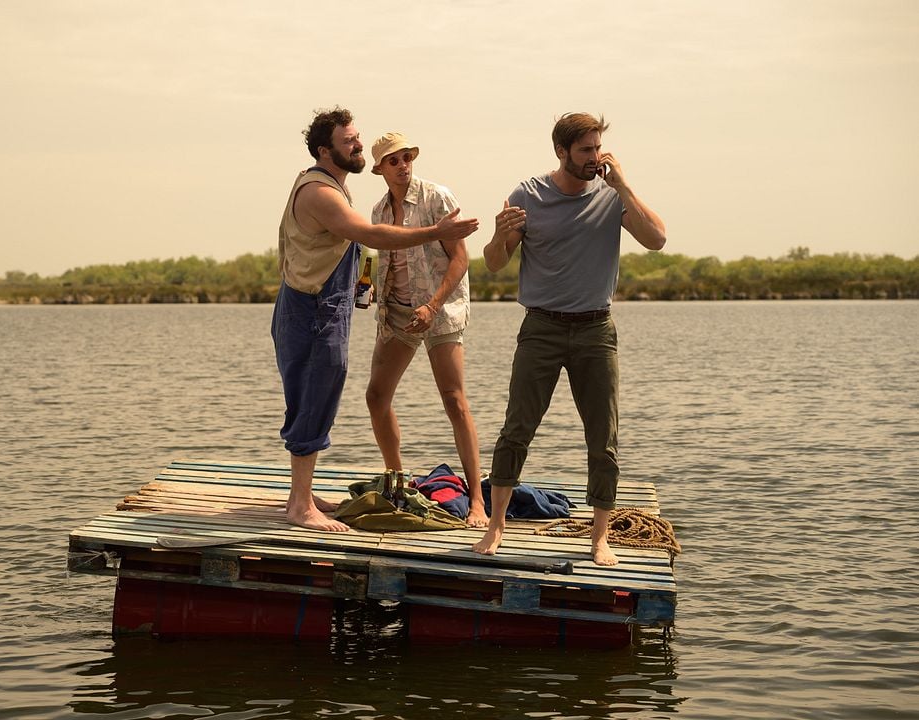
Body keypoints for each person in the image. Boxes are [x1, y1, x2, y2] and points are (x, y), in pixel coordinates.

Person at [472, 112, 666, 565]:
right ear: (561, 152)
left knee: (604, 438)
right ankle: (496, 528)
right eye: (585, 150)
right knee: (517, 429)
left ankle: (599, 538)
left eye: (598, 148)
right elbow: (494, 263)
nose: (595, 158)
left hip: (597, 330)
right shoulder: (528, 195)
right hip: (541, 328)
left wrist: (624, 186)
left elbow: (656, 239)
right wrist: (499, 236)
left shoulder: (612, 195)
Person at [273, 107, 479, 532]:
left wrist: (370, 288)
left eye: (357, 137)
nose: (358, 145)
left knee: (319, 393)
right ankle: (306, 503)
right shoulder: (332, 195)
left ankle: (303, 493)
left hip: (369, 309)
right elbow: (370, 239)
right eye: (349, 141)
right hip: (320, 309)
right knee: (322, 392)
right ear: (323, 151)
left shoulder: (425, 195)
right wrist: (435, 233)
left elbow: (351, 251)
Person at [364, 132, 487, 528]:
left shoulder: (437, 198)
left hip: (440, 309)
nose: (402, 165)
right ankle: (398, 486)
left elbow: (461, 259)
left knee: (454, 400)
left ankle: (478, 502)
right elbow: (385, 262)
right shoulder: (379, 211)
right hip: (397, 312)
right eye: (393, 160)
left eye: (406, 157)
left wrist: (433, 306)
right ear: (380, 168)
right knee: (376, 396)